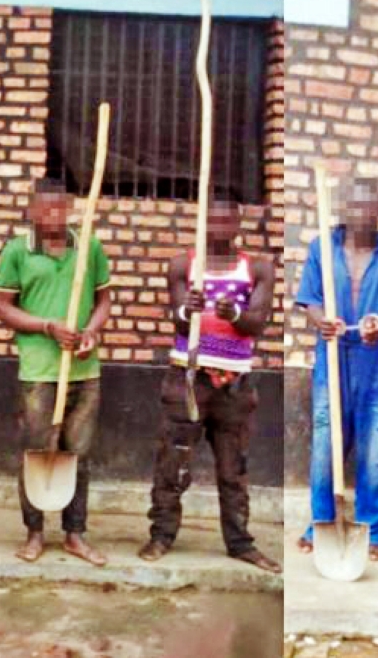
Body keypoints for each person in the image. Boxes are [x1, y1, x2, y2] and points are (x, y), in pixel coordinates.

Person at [139, 195, 281, 573]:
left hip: (234, 383)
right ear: (202, 224)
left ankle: (240, 543)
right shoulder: (184, 265)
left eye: (226, 222)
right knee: (173, 461)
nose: (219, 228)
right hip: (189, 376)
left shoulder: (259, 268)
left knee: (233, 469)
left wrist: (233, 312)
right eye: (212, 221)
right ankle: (161, 536)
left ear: (237, 226)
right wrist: (190, 309)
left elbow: (257, 323)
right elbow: (178, 321)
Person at [0, 178, 113, 567]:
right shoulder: (17, 251)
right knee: (36, 452)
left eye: (60, 208)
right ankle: (34, 533)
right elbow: (3, 307)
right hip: (39, 370)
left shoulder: (89, 246)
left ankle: (75, 534)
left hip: (83, 369)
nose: (53, 216)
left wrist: (91, 331)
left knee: (78, 454)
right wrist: (47, 327)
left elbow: (104, 299)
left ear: (71, 208)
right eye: (44, 209)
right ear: (32, 211)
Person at [295, 177, 378, 562]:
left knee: (375, 447)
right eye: (355, 206)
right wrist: (320, 320)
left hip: (375, 360)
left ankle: (374, 530)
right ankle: (321, 523)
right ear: (344, 209)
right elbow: (310, 300)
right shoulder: (322, 248)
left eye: (370, 207)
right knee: (326, 444)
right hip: (332, 356)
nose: (362, 214)